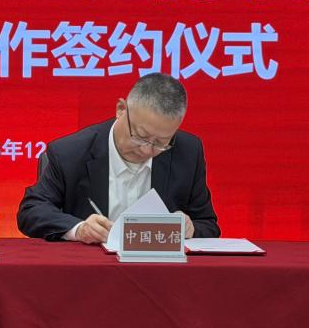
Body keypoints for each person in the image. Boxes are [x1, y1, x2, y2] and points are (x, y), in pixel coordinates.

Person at [17, 73, 219, 243]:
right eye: (140, 136)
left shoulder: (188, 151)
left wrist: (190, 228)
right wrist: (79, 229)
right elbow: (31, 211)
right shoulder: (70, 152)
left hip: (160, 271)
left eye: (161, 143)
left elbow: (208, 225)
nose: (147, 150)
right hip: (91, 270)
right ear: (121, 110)